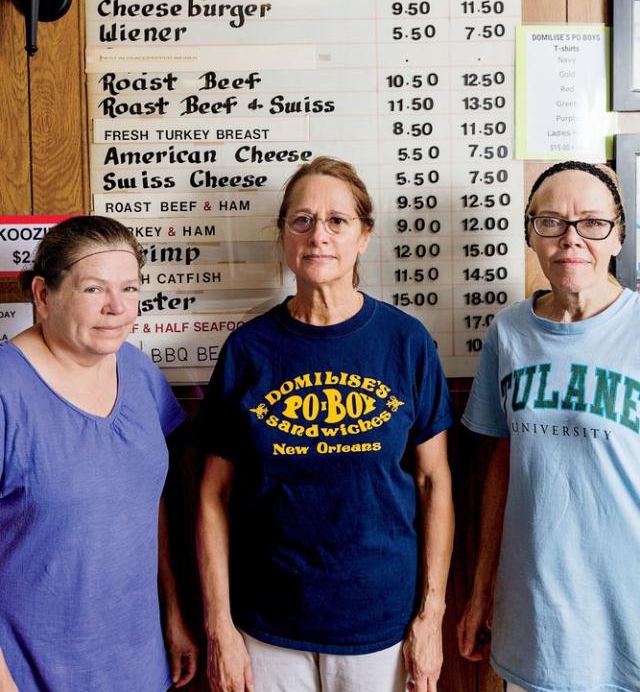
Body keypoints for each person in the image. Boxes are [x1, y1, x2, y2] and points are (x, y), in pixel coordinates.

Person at [196, 156, 455, 692]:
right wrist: (219, 625)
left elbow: (434, 483)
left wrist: (432, 615)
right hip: (266, 626)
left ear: (364, 236)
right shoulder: (248, 351)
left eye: (338, 221)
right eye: (302, 220)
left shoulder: (406, 344)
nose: (319, 235)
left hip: (380, 622)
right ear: (285, 236)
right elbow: (212, 496)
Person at [457, 160, 640, 692]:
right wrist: (483, 587)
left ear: (618, 235)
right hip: (540, 620)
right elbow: (504, 463)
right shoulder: (509, 332)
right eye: (551, 222)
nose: (571, 238)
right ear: (531, 235)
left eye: (592, 222)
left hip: (627, 611)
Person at [0, 215, 198, 692]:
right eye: (94, 289)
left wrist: (172, 612)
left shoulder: (137, 369)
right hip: (33, 673)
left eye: (129, 289)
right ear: (44, 295)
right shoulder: (7, 391)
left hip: (140, 665)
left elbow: (146, 503)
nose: (117, 307)